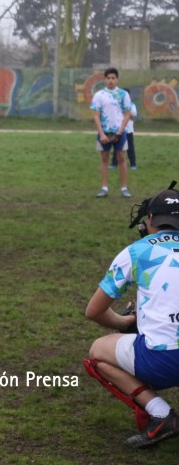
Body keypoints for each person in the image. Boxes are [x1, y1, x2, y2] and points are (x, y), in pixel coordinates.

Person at [84, 187, 179, 448]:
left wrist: (127, 322)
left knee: (98, 351)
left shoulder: (137, 251)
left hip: (161, 360)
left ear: (149, 219)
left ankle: (161, 415)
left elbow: (94, 311)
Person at [91, 67, 133, 198]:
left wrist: (120, 131)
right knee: (104, 158)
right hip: (104, 132)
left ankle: (124, 188)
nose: (110, 81)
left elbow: (127, 114)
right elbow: (96, 115)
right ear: (105, 79)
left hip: (120, 132)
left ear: (117, 79)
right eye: (108, 78)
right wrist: (102, 134)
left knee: (121, 158)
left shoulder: (124, 95)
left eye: (113, 78)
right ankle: (104, 188)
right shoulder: (99, 95)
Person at [111, 101, 137, 170]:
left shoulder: (132, 105)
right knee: (116, 147)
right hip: (118, 130)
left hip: (128, 130)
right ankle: (114, 164)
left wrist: (126, 110)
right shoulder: (117, 105)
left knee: (130, 148)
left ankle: (133, 164)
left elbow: (133, 117)